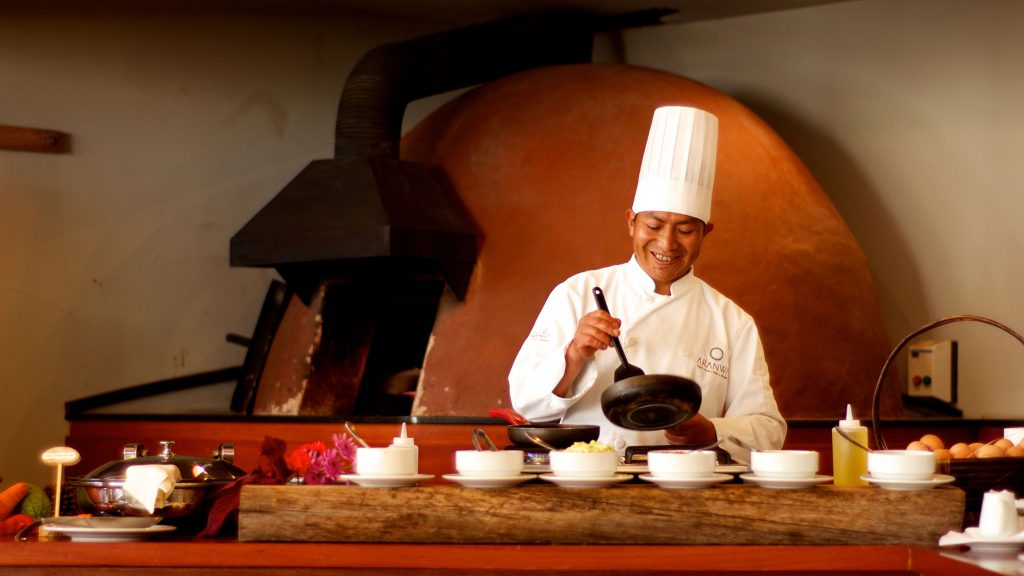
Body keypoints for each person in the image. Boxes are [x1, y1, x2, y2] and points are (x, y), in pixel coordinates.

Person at [508, 106, 786, 464]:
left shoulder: (732, 321)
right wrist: (574, 354)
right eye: (653, 226)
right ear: (631, 222)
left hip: (688, 490)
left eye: (685, 230)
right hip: (590, 482)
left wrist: (713, 430)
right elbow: (525, 401)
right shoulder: (576, 293)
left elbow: (769, 430)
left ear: (705, 233)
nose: (667, 244)